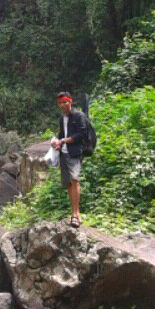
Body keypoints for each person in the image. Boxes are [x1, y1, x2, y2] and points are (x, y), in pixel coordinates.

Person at [52, 91, 86, 228]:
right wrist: (56, 142)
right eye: (60, 103)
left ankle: (75, 215)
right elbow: (62, 134)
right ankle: (73, 211)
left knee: (74, 180)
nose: (62, 105)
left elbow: (82, 134)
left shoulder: (79, 116)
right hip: (64, 153)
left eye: (65, 102)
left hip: (74, 153)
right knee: (69, 183)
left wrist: (65, 140)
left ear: (70, 101)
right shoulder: (62, 118)